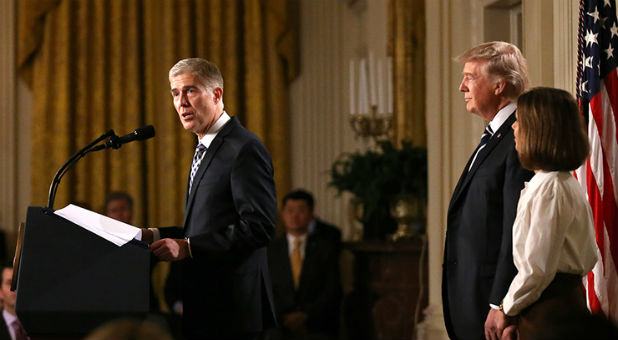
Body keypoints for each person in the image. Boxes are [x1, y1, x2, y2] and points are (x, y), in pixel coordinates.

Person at [140, 58, 278, 339]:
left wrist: (189, 247)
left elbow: (259, 226)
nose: (181, 103)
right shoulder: (205, 147)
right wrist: (153, 235)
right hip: (206, 307)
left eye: (190, 91)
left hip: (233, 312)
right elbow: (207, 226)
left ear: (216, 94)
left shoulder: (244, 148)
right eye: (175, 94)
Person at [442, 41, 534, 340]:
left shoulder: (519, 141)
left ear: (499, 86)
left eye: (470, 77)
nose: (461, 87)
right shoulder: (496, 136)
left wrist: (501, 303)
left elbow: (515, 230)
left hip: (492, 310)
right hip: (473, 303)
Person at [490, 87, 598, 340]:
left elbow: (537, 269)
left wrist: (507, 308)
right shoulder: (552, 183)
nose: (514, 128)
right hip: (546, 305)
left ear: (540, 129)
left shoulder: (551, 187)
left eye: (520, 121)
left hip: (552, 314)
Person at [266, 189, 342, 339]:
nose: (294, 215)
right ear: (283, 214)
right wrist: (285, 320)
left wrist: (305, 316)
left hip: (315, 323)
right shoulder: (270, 251)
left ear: (311, 214)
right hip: (278, 325)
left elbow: (332, 290)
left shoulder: (324, 249)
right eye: (290, 210)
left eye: (300, 210)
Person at [0, 264, 28, 340]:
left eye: (19, 281)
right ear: (0, 291)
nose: (15, 288)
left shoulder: (40, 323)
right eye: (9, 283)